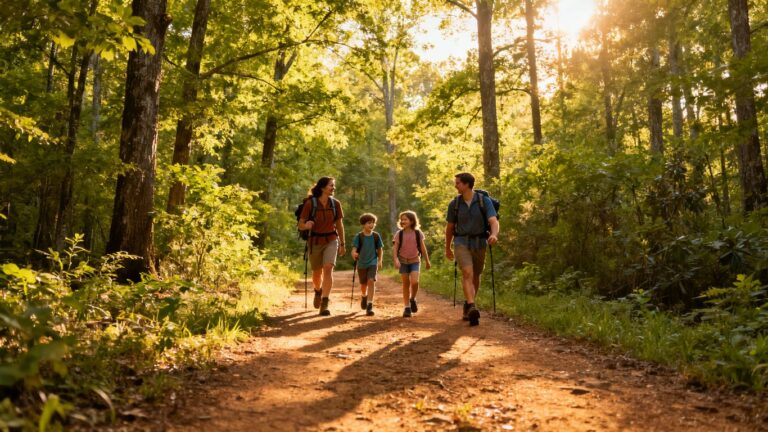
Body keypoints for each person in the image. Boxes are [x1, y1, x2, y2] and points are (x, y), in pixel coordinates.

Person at [445, 172, 499, 326]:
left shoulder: (484, 201)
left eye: (458, 183)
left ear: (467, 184)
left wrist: (494, 235)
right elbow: (449, 228)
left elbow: (493, 221)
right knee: (467, 273)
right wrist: (447, 247)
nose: (455, 185)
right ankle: (472, 305)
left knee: (476, 275)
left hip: (480, 242)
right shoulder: (454, 204)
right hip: (461, 241)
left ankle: (468, 305)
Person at [298, 177, 346, 316]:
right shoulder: (310, 204)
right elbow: (300, 224)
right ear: (323, 187)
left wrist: (342, 243)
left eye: (334, 185)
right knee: (316, 273)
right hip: (315, 241)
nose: (333, 188)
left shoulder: (336, 204)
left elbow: (339, 225)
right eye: (331, 185)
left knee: (328, 268)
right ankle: (318, 291)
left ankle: (325, 302)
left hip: (331, 239)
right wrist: (306, 225)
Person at [393, 210, 431, 317]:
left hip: (415, 260)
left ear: (412, 220)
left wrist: (427, 261)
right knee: (406, 284)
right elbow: (395, 249)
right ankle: (407, 307)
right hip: (403, 261)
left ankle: (413, 298)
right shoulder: (399, 234)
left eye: (405, 219)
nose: (403, 221)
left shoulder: (418, 233)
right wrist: (395, 259)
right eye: (402, 219)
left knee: (415, 282)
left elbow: (423, 249)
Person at [351, 213, 384, 316]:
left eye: (373, 223)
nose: (372, 225)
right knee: (363, 284)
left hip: (372, 262)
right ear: (363, 224)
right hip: (361, 263)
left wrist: (379, 261)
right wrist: (354, 254)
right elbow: (353, 250)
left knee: (371, 280)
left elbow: (380, 249)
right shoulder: (359, 236)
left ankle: (370, 304)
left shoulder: (376, 236)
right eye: (369, 223)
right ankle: (364, 296)